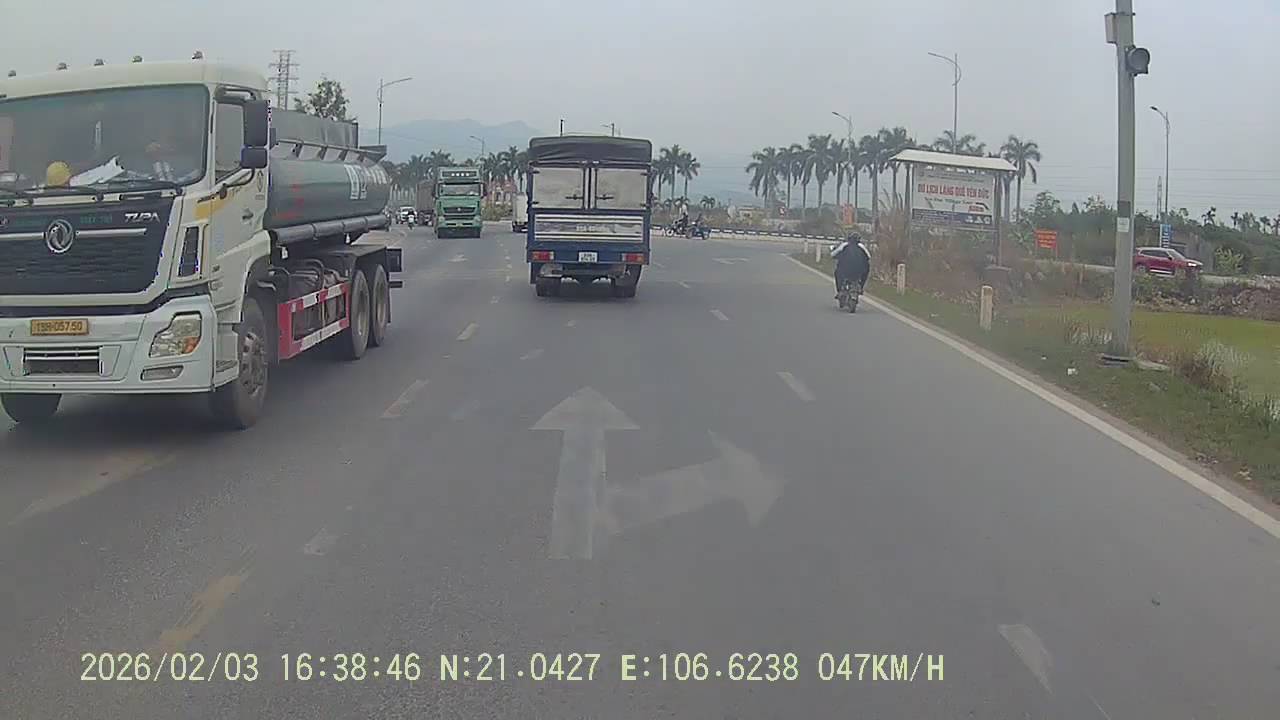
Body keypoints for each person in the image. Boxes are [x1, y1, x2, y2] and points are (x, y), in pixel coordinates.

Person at [831, 233, 871, 297]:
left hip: (845, 270)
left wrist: (837, 256)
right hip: (859, 271)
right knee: (866, 271)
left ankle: (840, 290)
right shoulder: (861, 246)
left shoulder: (844, 245)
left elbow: (833, 254)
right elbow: (869, 256)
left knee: (837, 273)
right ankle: (861, 287)